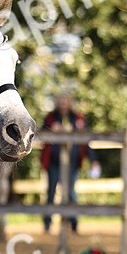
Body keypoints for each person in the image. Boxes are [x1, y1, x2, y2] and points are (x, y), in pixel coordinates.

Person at [40, 91, 100, 233]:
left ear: (69, 103)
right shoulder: (50, 118)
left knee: (71, 193)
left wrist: (94, 160)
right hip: (53, 162)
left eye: (65, 101)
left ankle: (73, 224)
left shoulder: (78, 119)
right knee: (51, 192)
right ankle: (47, 224)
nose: (63, 104)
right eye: (60, 101)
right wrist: (51, 130)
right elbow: (41, 134)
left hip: (72, 162)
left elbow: (86, 141)